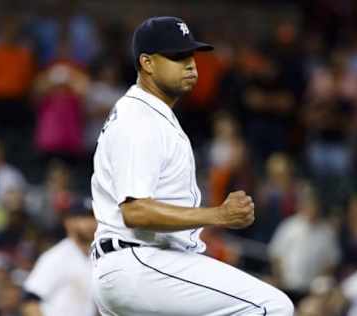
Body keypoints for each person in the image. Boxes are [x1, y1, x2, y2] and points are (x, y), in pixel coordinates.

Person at [90, 16, 294, 316]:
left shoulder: (149, 114)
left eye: (190, 55)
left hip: (137, 266)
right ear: (147, 63)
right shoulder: (139, 120)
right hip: (141, 262)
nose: (190, 64)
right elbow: (135, 211)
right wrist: (218, 215)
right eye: (176, 56)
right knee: (273, 306)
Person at [21, 198, 97, 316]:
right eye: (83, 217)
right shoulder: (56, 257)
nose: (90, 223)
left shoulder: (97, 257)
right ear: (68, 222)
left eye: (93, 217)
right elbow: (30, 302)